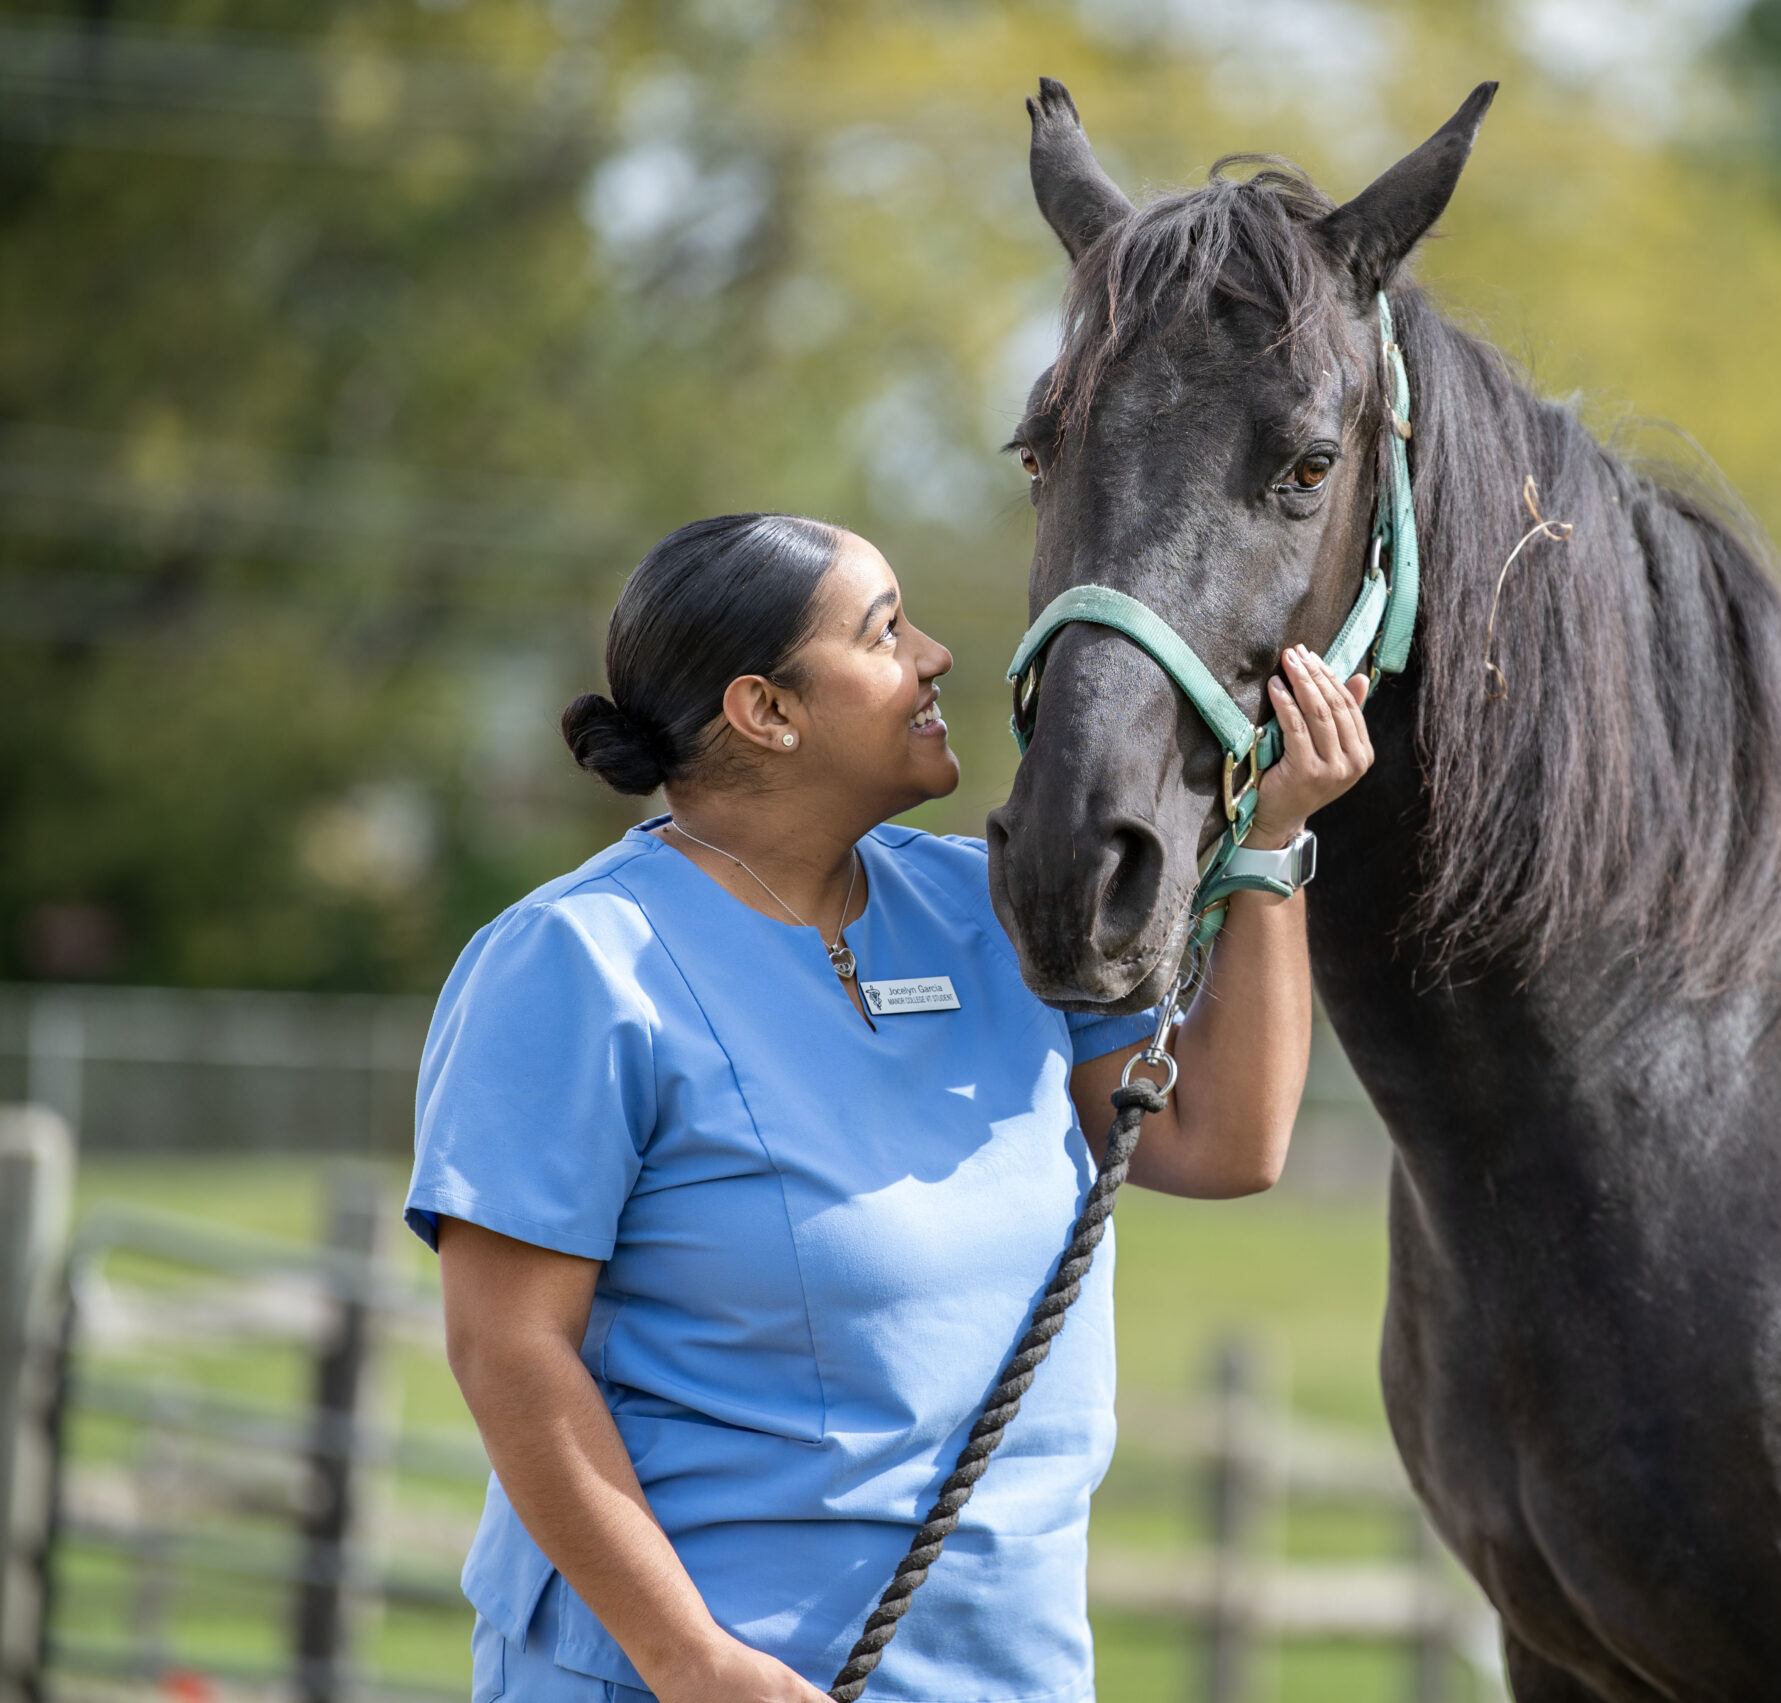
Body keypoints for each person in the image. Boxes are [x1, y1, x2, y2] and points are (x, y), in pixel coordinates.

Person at [406, 512, 1371, 1703]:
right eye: (884, 630)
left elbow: (1221, 1140)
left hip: (1001, 1672)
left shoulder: (987, 906)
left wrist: (1273, 839)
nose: (935, 654)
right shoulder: (576, 964)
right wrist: (688, 1657)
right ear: (768, 710)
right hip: (697, 1679)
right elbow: (507, 1346)